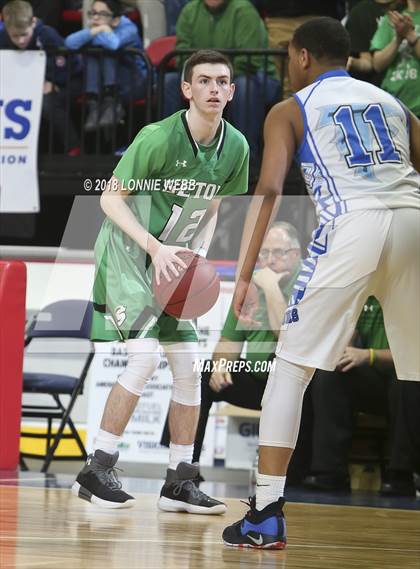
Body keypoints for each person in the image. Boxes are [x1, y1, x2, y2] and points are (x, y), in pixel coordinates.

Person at [222, 16, 420, 549]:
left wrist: (243, 276)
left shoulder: (292, 108)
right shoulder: (395, 105)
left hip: (353, 224)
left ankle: (264, 513)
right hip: (413, 220)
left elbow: (268, 191)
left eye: (288, 59)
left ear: (303, 57)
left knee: (291, 366)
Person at [72, 49, 250, 513]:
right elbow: (109, 201)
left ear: (231, 92)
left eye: (223, 81)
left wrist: (198, 257)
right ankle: (96, 470)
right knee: (145, 357)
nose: (215, 88)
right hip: (129, 254)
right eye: (205, 80)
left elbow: (213, 207)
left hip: (173, 261)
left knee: (190, 365)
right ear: (187, 90)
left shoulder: (237, 147)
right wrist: (155, 248)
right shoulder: (157, 137)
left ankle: (179, 481)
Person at [160, 222, 304, 467]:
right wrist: (221, 365)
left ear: (296, 255)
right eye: (264, 253)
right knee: (204, 373)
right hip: (260, 379)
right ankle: (184, 464)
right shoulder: (250, 289)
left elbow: (291, 339)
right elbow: (228, 341)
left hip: (295, 381)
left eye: (277, 253)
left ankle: (299, 472)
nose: (269, 261)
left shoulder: (305, 283)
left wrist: (270, 289)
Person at [163, 0, 280, 170]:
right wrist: (204, 77)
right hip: (206, 76)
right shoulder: (190, 11)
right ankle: (172, 151)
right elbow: (182, 55)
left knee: (243, 86)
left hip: (252, 77)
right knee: (170, 81)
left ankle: (244, 158)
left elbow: (249, 60)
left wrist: (213, 77)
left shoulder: (244, 10)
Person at [304, 296, 397, 493]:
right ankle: (330, 473)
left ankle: (400, 476)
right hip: (376, 378)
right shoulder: (363, 293)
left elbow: (412, 356)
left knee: (406, 380)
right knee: (330, 373)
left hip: (405, 377)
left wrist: (368, 355)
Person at [0, 0, 81, 155]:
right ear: (7, 28)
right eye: (15, 36)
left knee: (47, 104)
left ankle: (74, 146)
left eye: (24, 34)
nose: (21, 40)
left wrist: (53, 82)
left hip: (68, 80)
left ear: (33, 22)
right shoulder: (2, 37)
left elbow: (68, 64)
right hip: (24, 84)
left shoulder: (47, 34)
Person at [65, 0, 147, 130]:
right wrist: (97, 30)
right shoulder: (96, 29)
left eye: (102, 14)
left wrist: (99, 31)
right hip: (107, 86)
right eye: (93, 13)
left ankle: (111, 105)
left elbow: (114, 44)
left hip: (134, 83)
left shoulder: (129, 28)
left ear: (115, 20)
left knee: (106, 52)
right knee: (93, 54)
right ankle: (94, 106)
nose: (96, 17)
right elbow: (69, 43)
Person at [371, 0, 420, 116]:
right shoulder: (392, 19)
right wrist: (398, 38)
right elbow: (377, 64)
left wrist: (410, 34)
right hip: (394, 108)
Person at [346, 0, 400, 82]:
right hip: (380, 84)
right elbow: (368, 62)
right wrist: (352, 62)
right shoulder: (361, 11)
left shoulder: (409, 6)